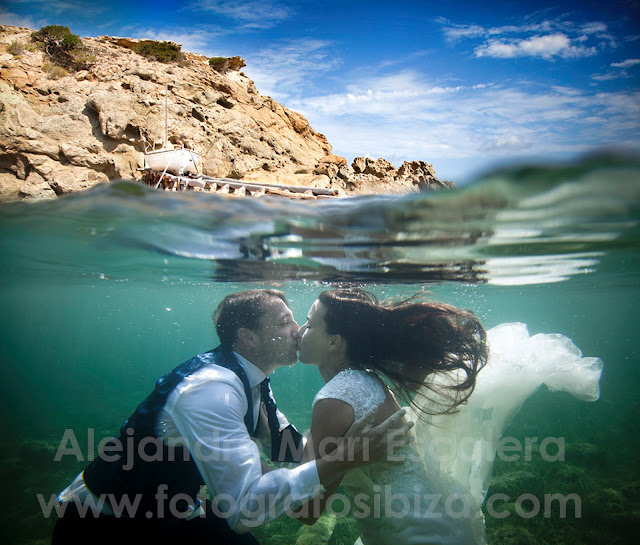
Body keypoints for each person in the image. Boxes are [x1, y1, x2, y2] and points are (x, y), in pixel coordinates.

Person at [52, 289, 412, 545]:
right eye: (286, 322)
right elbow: (242, 511)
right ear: (248, 337)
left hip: (171, 512)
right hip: (101, 524)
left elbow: (287, 447)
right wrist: (344, 460)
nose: (298, 331)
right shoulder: (213, 390)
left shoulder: (253, 380)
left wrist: (340, 436)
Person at [295, 289, 603, 545]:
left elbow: (307, 511)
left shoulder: (334, 399)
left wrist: (263, 472)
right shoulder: (367, 381)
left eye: (308, 325)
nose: (299, 331)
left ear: (334, 342)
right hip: (438, 523)